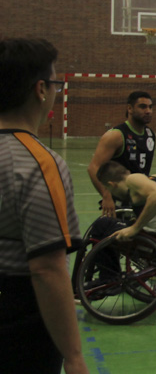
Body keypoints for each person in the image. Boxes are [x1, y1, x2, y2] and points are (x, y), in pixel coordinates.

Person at [0, 39, 88, 374]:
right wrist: (74, 355)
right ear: (40, 89)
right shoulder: (38, 164)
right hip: (18, 323)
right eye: (55, 83)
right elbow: (47, 269)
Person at [87, 90, 156, 217]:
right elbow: (94, 167)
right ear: (129, 108)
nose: (148, 111)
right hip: (120, 202)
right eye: (142, 106)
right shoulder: (116, 135)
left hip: (140, 198)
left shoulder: (150, 135)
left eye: (150, 107)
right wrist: (106, 196)